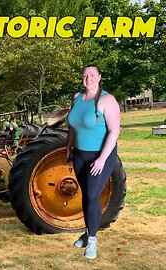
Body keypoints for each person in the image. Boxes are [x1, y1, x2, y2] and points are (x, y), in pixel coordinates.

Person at [66, 65, 120, 259]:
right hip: (80, 155)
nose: (87, 79)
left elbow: (114, 132)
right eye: (84, 76)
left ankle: (92, 241)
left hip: (101, 155)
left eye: (91, 75)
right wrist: (68, 145)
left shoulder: (107, 100)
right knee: (86, 196)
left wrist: (102, 159)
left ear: (99, 77)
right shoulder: (77, 98)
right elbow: (72, 124)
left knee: (92, 194)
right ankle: (88, 231)